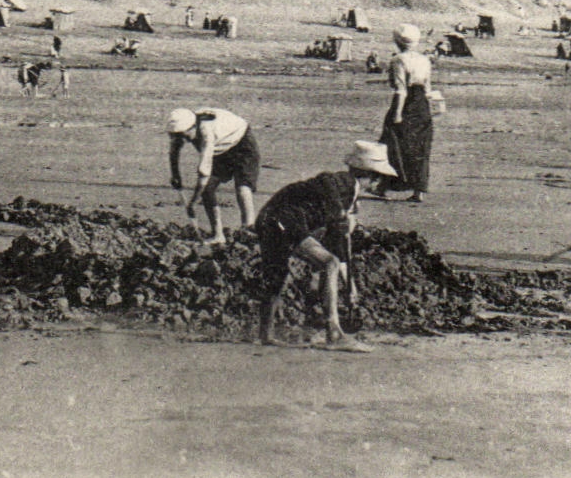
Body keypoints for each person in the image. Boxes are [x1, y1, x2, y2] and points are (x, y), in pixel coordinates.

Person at [254, 141, 398, 351]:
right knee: (329, 263)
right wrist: (340, 212)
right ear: (371, 176)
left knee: (278, 275)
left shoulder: (347, 193)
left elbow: (338, 243)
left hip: (267, 218)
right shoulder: (345, 183)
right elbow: (325, 180)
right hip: (284, 219)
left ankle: (265, 334)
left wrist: (349, 284)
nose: (379, 184)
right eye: (379, 178)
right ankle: (334, 333)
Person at [167, 107, 260, 245]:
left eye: (185, 136)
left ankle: (248, 229)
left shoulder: (206, 133)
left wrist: (192, 203)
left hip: (241, 141)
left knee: (243, 187)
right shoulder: (183, 129)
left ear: (193, 127)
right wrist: (175, 175)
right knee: (207, 190)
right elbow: (174, 151)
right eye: (178, 136)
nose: (183, 140)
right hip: (219, 149)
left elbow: (203, 174)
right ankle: (218, 235)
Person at [376, 23, 434, 202]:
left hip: (406, 104)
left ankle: (384, 187)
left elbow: (401, 90)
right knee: (421, 147)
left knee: (391, 142)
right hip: (422, 105)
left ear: (398, 41)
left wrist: (397, 114)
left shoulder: (398, 60)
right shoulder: (424, 60)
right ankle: (418, 191)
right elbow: (428, 88)